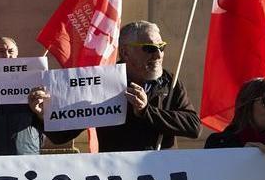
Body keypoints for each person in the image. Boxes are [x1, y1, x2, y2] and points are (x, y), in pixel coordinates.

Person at [29, 21, 200, 151]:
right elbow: (62, 137)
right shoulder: (102, 81)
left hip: (163, 172)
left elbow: (193, 126)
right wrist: (44, 115)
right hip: (119, 174)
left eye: (161, 47)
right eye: (149, 48)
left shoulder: (169, 80)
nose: (158, 55)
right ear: (125, 52)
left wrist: (146, 111)